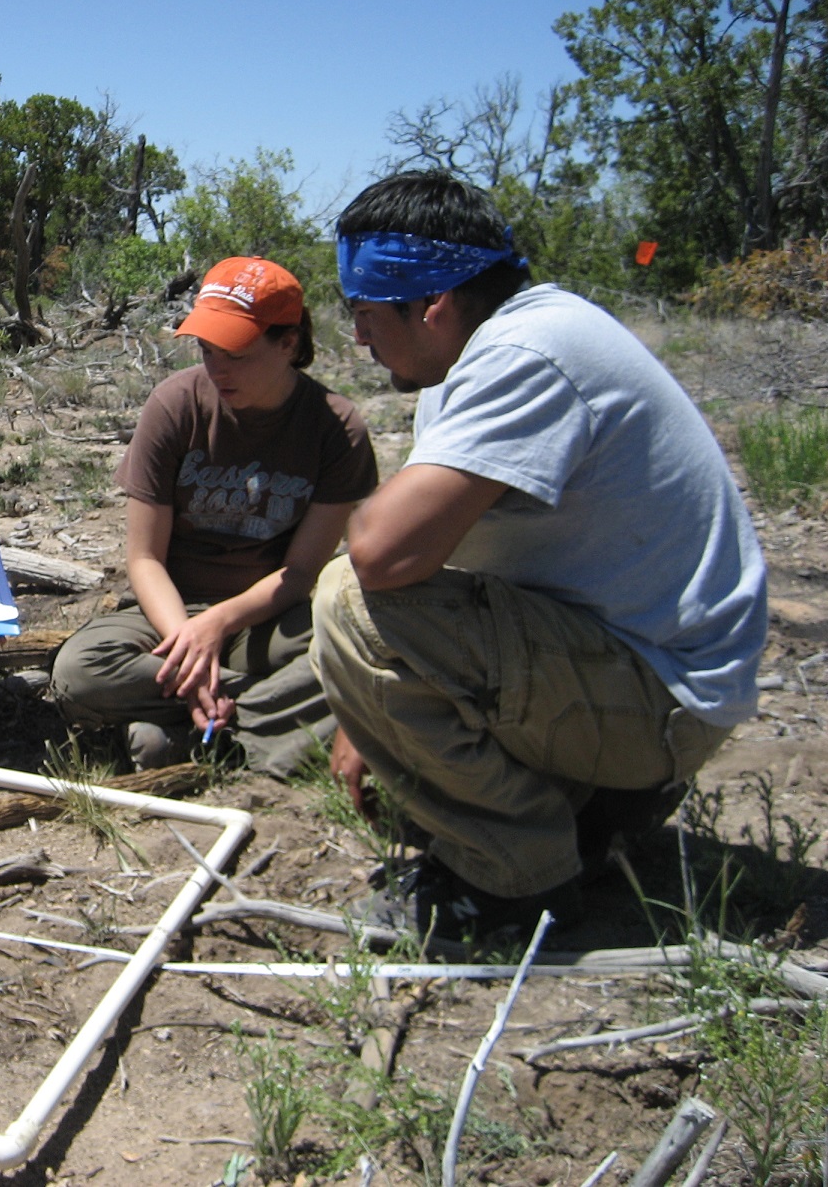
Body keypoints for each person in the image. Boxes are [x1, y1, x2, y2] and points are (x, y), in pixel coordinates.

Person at [310, 170, 767, 942]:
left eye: (362, 311)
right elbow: (452, 560)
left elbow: (384, 555)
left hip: (667, 699)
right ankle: (596, 807)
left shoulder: (530, 351)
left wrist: (371, 684)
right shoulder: (470, 364)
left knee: (346, 596)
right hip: (630, 664)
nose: (355, 335)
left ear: (434, 306)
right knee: (374, 629)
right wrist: (367, 717)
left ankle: (516, 888)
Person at [51, 257, 378, 776]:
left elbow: (299, 575)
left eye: (237, 354)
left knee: (353, 646)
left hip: (263, 617)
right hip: (165, 614)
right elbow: (143, 558)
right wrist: (189, 649)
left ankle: (181, 733)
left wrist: (219, 626)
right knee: (79, 671)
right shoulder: (176, 404)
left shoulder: (338, 429)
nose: (217, 368)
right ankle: (248, 724)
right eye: (206, 350)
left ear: (288, 343)